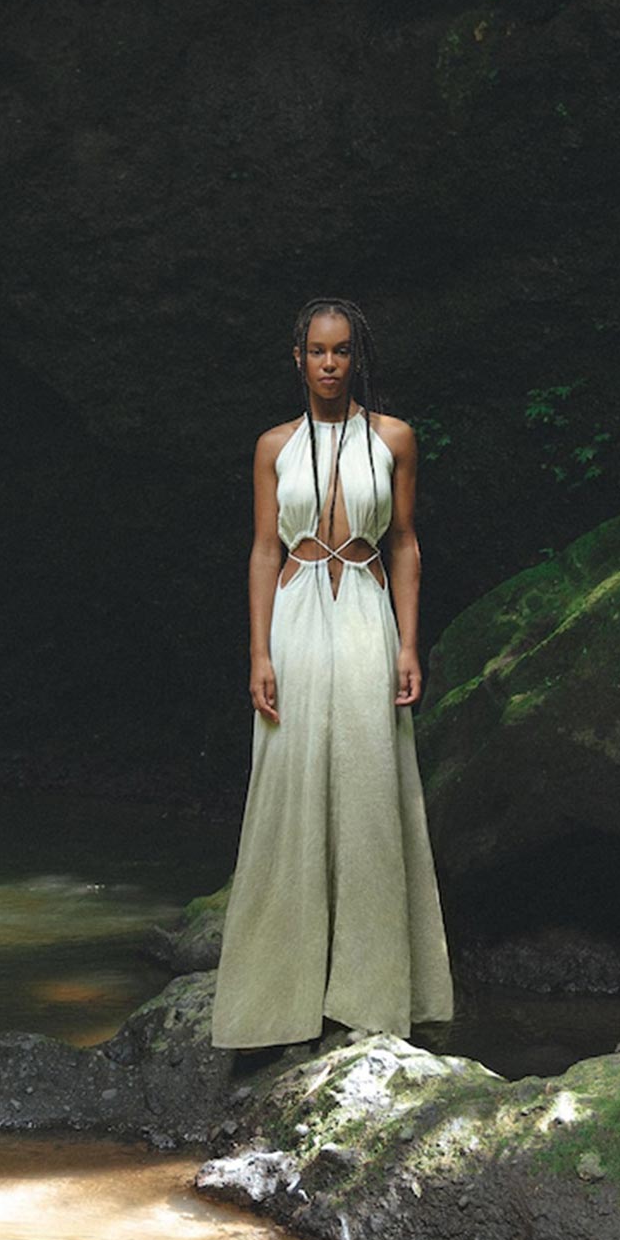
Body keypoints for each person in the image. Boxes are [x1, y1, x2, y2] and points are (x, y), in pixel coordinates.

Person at [210, 298, 454, 1049]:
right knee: (289, 783)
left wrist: (409, 645)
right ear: (296, 358)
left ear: (356, 359)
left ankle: (373, 995)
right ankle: (275, 1000)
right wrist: (258, 653)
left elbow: (406, 543)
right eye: (316, 351)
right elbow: (261, 550)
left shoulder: (394, 438)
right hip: (295, 613)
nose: (328, 363)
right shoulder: (272, 446)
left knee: (370, 781)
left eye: (341, 351)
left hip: (366, 613)